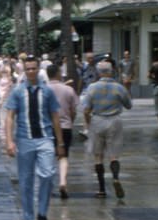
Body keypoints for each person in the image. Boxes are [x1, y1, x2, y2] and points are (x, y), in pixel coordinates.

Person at [4, 56, 66, 220]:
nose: (31, 71)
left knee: (47, 174)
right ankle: (28, 218)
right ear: (24, 70)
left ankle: (43, 213)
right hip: (24, 139)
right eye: (28, 69)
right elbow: (10, 116)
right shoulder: (17, 91)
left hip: (45, 138)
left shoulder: (47, 91)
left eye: (34, 68)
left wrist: (60, 142)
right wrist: (9, 141)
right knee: (25, 179)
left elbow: (55, 116)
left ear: (39, 70)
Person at [82, 60, 133, 199]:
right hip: (115, 121)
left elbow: (86, 109)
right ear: (111, 71)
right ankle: (115, 178)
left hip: (97, 121)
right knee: (114, 155)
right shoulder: (119, 88)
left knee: (98, 156)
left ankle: (101, 189)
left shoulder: (92, 88)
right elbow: (129, 105)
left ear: (98, 73)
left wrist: (87, 125)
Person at [45, 62, 78, 200]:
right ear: (58, 74)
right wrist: (70, 120)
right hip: (65, 127)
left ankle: (48, 186)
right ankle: (63, 182)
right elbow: (73, 110)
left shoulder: (43, 89)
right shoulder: (68, 90)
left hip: (47, 128)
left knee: (47, 158)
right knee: (63, 156)